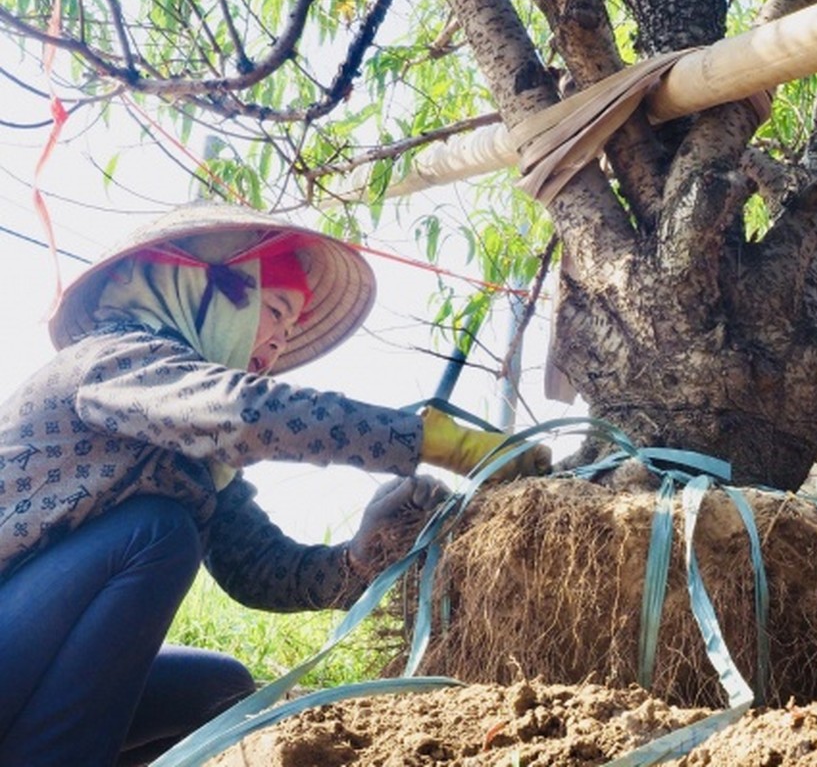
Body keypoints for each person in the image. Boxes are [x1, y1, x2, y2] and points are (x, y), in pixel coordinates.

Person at [0, 203, 552, 766]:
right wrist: (435, 442)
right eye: (275, 312)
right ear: (202, 288)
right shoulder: (111, 361)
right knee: (155, 533)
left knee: (218, 688)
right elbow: (246, 416)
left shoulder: (189, 457)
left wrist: (358, 560)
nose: (275, 349)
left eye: (289, 332)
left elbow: (256, 569)